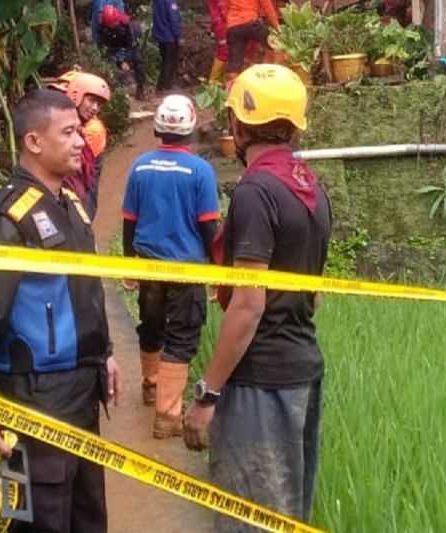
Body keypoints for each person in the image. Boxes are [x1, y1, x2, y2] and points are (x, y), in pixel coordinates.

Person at [0, 89, 121, 533]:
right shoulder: (7, 220)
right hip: (34, 401)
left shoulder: (73, 205)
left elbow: (84, 291)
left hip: (83, 396)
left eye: (79, 131)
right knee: (40, 522)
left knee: (88, 517)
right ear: (34, 142)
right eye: (68, 132)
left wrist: (106, 352)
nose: (81, 141)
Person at [183, 64, 332, 531]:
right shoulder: (310, 185)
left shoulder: (256, 191)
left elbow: (249, 304)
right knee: (287, 513)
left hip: (261, 380)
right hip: (303, 367)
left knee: (250, 519)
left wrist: (207, 393)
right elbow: (315, 295)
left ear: (239, 125)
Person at [121, 94, 220, 438]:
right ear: (191, 128)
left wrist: (128, 263)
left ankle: (151, 386)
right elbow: (209, 226)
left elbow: (129, 221)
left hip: (149, 266)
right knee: (181, 337)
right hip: (186, 269)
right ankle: (167, 416)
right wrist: (218, 271)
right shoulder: (200, 170)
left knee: (151, 326)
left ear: (159, 128)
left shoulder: (140, 166)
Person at [50, 71, 112, 221]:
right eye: (91, 101)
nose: (95, 108)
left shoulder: (91, 131)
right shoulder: (55, 128)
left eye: (98, 104)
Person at [99, 4, 147, 100]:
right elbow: (109, 47)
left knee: (138, 62)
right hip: (115, 47)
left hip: (129, 44)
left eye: (116, 23)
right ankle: (115, 92)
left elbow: (131, 44)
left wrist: (126, 60)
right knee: (111, 64)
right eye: (112, 24)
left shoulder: (126, 24)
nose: (115, 25)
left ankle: (140, 88)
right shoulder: (103, 29)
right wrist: (120, 61)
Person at [224, 0, 280, 81]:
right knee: (278, 44)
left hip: (233, 26)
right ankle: (273, 77)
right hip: (250, 22)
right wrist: (278, 28)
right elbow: (267, 7)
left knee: (234, 65)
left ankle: (231, 90)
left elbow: (226, 7)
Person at [152, 0, 182, 92]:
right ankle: (166, 86)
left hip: (161, 36)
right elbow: (174, 19)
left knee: (165, 61)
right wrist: (178, 35)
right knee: (170, 62)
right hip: (170, 36)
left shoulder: (157, 2)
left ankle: (161, 86)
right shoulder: (169, 1)